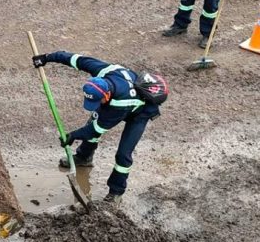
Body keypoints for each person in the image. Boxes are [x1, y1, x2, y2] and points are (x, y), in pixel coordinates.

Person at [31, 50, 163, 205]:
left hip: (139, 113)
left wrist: (72, 136)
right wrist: (46, 58)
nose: (95, 106)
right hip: (118, 101)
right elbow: (74, 59)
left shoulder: (119, 103)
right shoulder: (104, 70)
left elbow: (96, 129)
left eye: (98, 102)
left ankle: (116, 193)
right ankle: (84, 157)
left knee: (123, 155)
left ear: (106, 95)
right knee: (92, 124)